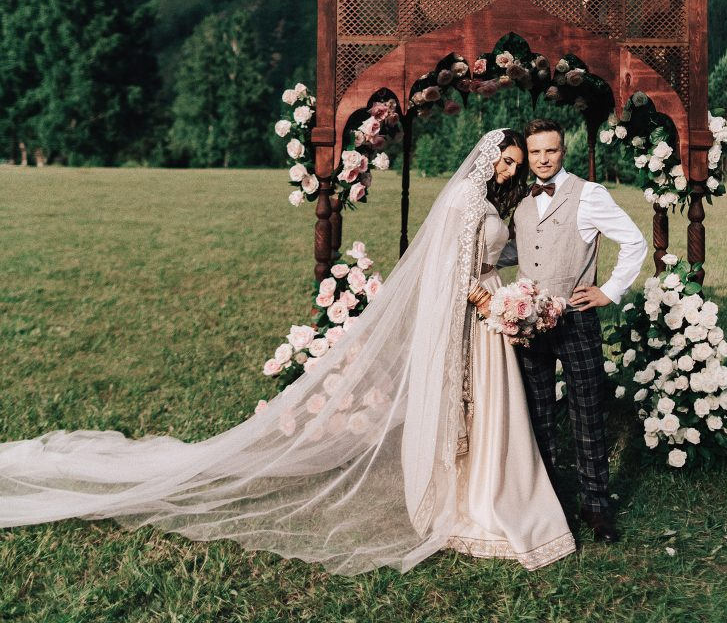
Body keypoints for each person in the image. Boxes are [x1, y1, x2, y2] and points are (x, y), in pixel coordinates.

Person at [0, 129, 575, 574]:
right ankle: (469, 498)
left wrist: (509, 299)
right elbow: (451, 274)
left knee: (492, 413)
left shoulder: (490, 205)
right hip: (475, 313)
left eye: (515, 166)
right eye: (504, 161)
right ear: (486, 158)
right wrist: (488, 301)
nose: (507, 170)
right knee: (474, 407)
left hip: (489, 314)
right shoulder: (465, 206)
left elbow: (489, 260)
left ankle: (485, 491)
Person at [498, 118, 648, 544]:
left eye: (551, 151)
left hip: (576, 320)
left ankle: (596, 506)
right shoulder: (523, 203)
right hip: (529, 321)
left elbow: (634, 241)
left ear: (563, 151)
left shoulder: (589, 194)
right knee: (539, 415)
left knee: (587, 411)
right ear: (527, 156)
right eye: (536, 152)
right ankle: (546, 505)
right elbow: (515, 250)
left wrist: (609, 291)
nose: (544, 160)